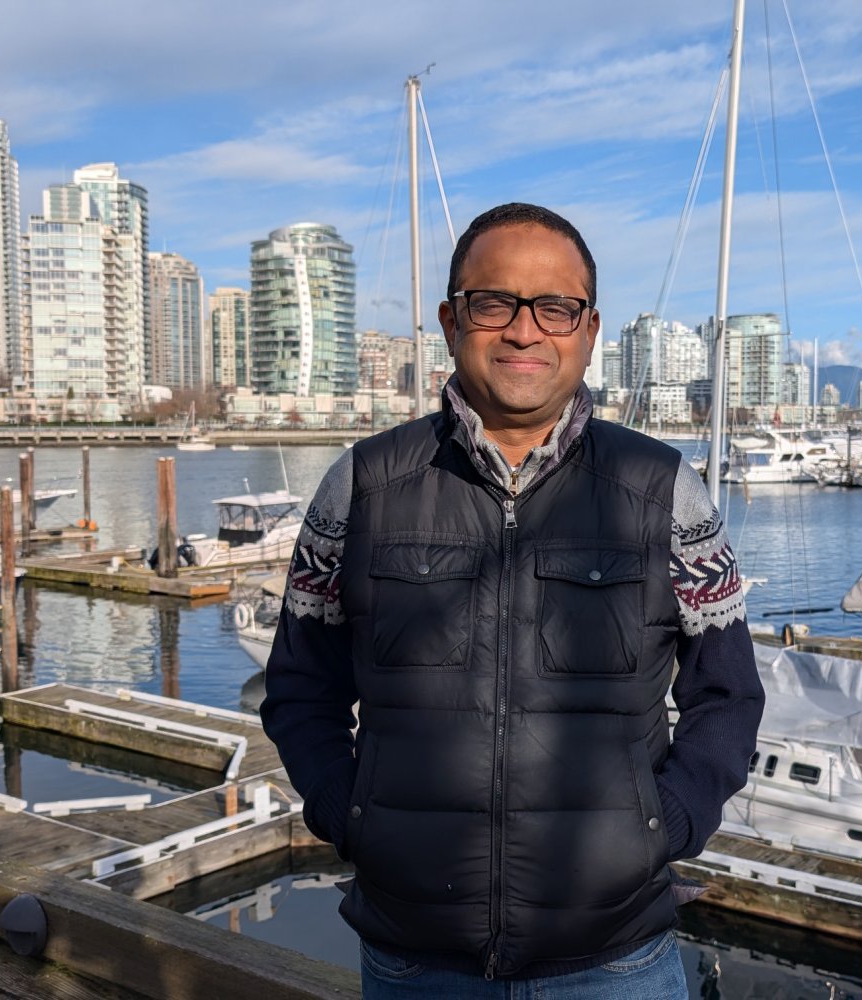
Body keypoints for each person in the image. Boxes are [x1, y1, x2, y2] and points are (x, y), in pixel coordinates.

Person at [261, 202, 764, 996]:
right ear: (451, 321)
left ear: (589, 330)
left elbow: (728, 695)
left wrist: (667, 824)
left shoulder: (664, 490)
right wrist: (347, 810)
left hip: (614, 961)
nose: (525, 331)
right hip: (415, 959)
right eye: (494, 302)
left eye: (555, 307)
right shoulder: (361, 487)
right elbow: (299, 688)